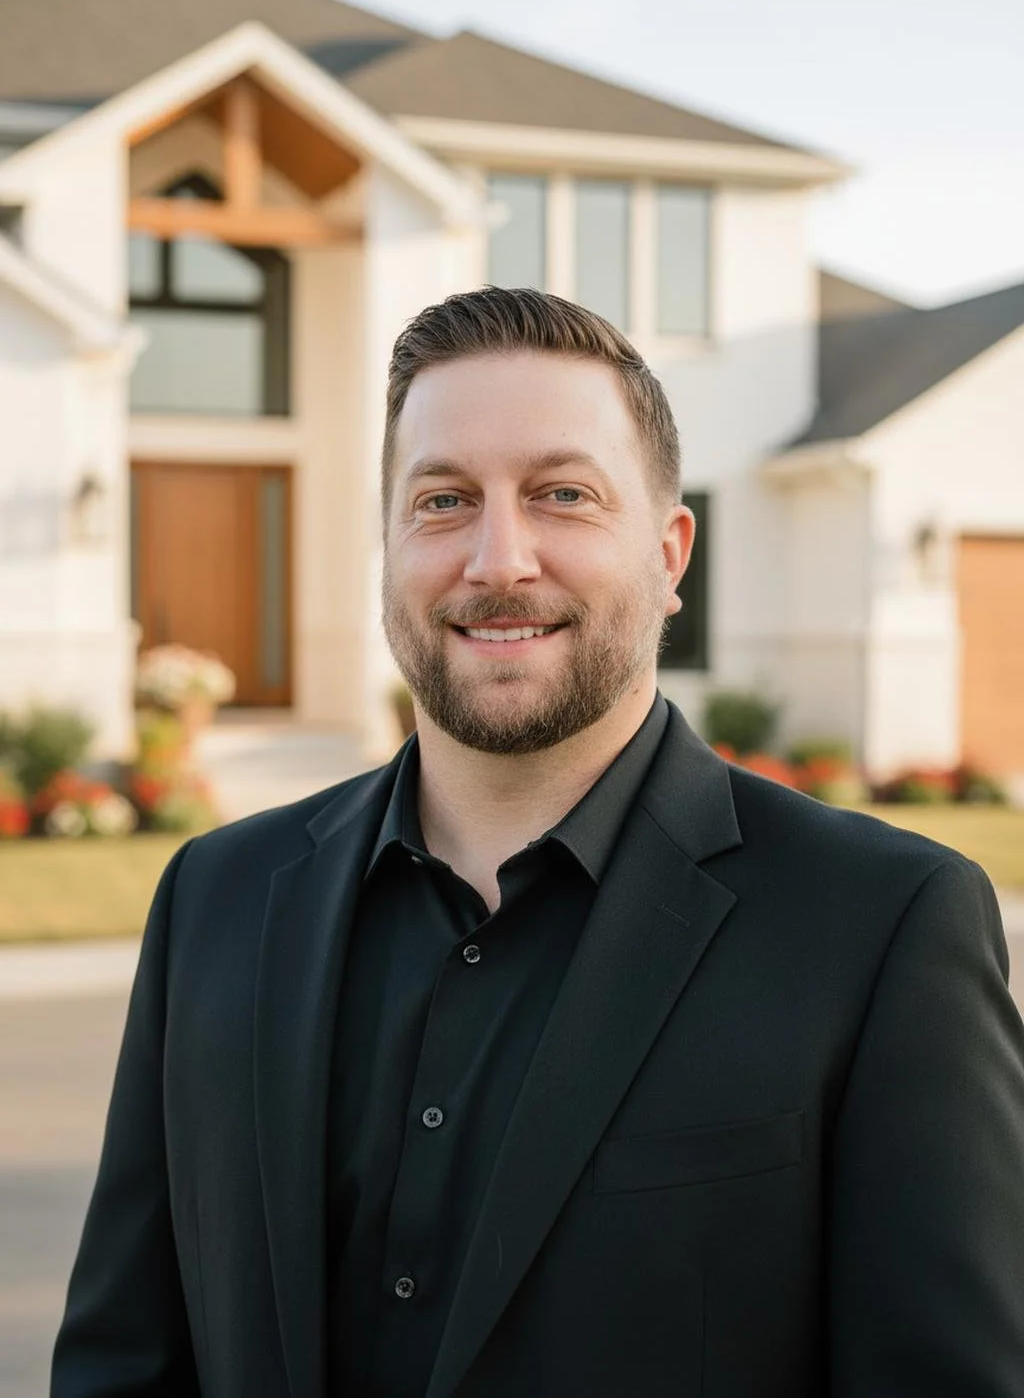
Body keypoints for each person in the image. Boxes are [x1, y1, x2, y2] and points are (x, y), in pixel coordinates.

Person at [53, 287, 1024, 1398]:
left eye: (561, 494)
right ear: (386, 549)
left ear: (668, 554)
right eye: (443, 499)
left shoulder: (881, 930)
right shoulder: (214, 900)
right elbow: (122, 1362)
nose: (498, 557)